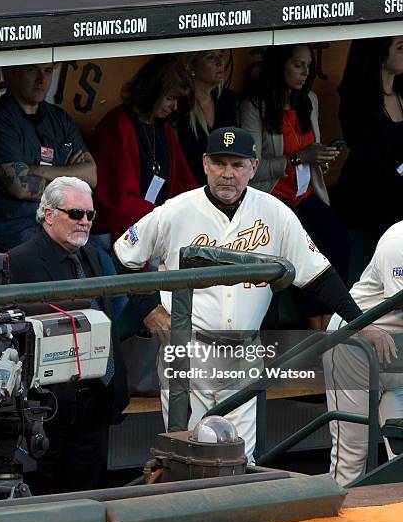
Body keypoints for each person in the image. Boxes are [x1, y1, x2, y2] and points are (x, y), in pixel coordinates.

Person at [113, 126, 394, 464]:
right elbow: (122, 254)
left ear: (254, 166)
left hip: (244, 352)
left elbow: (320, 276)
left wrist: (360, 322)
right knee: (189, 459)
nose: (227, 173)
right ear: (204, 164)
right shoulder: (176, 210)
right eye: (219, 163)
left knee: (241, 459)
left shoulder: (274, 212)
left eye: (237, 164)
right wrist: (151, 311)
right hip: (189, 350)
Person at [7, 177, 128, 495]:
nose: (85, 222)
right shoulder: (17, 262)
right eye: (76, 214)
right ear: (48, 214)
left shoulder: (95, 255)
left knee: (87, 497)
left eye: (90, 215)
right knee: (43, 500)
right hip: (45, 409)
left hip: (94, 402)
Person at [240, 44, 350, 330]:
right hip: (274, 198)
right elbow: (251, 168)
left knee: (338, 238)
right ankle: (317, 328)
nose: (306, 73)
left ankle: (333, 323)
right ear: (280, 65)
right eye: (298, 65)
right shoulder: (255, 105)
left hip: (305, 195)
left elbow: (310, 153)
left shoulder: (308, 99)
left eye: (309, 66)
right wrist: (298, 158)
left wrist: (320, 158)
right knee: (306, 246)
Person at [324, 220, 403, 487]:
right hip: (355, 344)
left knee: (400, 456)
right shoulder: (398, 239)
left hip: (396, 353)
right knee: (352, 456)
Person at [92, 54, 197, 244]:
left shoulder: (162, 129)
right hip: (121, 236)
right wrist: (163, 216)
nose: (174, 107)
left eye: (178, 102)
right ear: (153, 90)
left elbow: (183, 185)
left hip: (156, 226)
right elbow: (116, 202)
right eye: (170, 98)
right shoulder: (119, 126)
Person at [0, 63, 96, 251]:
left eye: (48, 71)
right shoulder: (0, 118)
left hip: (61, 222)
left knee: (99, 257)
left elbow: (91, 176)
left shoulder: (59, 119)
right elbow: (21, 186)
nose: (42, 79)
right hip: (15, 227)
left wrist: (37, 170)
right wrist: (71, 179)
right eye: (32, 69)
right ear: (11, 72)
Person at [333, 36, 403, 234]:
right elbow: (371, 160)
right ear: (380, 53)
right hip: (368, 203)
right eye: (400, 47)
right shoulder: (358, 102)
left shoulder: (400, 94)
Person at [177, 49, 238, 185]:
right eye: (210, 57)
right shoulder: (180, 107)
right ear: (191, 66)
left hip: (227, 185)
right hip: (191, 189)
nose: (219, 63)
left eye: (220, 56)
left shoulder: (227, 101)